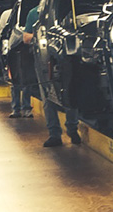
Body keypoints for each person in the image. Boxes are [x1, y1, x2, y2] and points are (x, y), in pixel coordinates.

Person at [30, 8, 80, 147]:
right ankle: (72, 129)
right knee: (69, 90)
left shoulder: (34, 13)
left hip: (45, 60)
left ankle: (55, 134)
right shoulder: (68, 7)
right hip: (64, 57)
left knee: (48, 94)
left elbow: (26, 38)